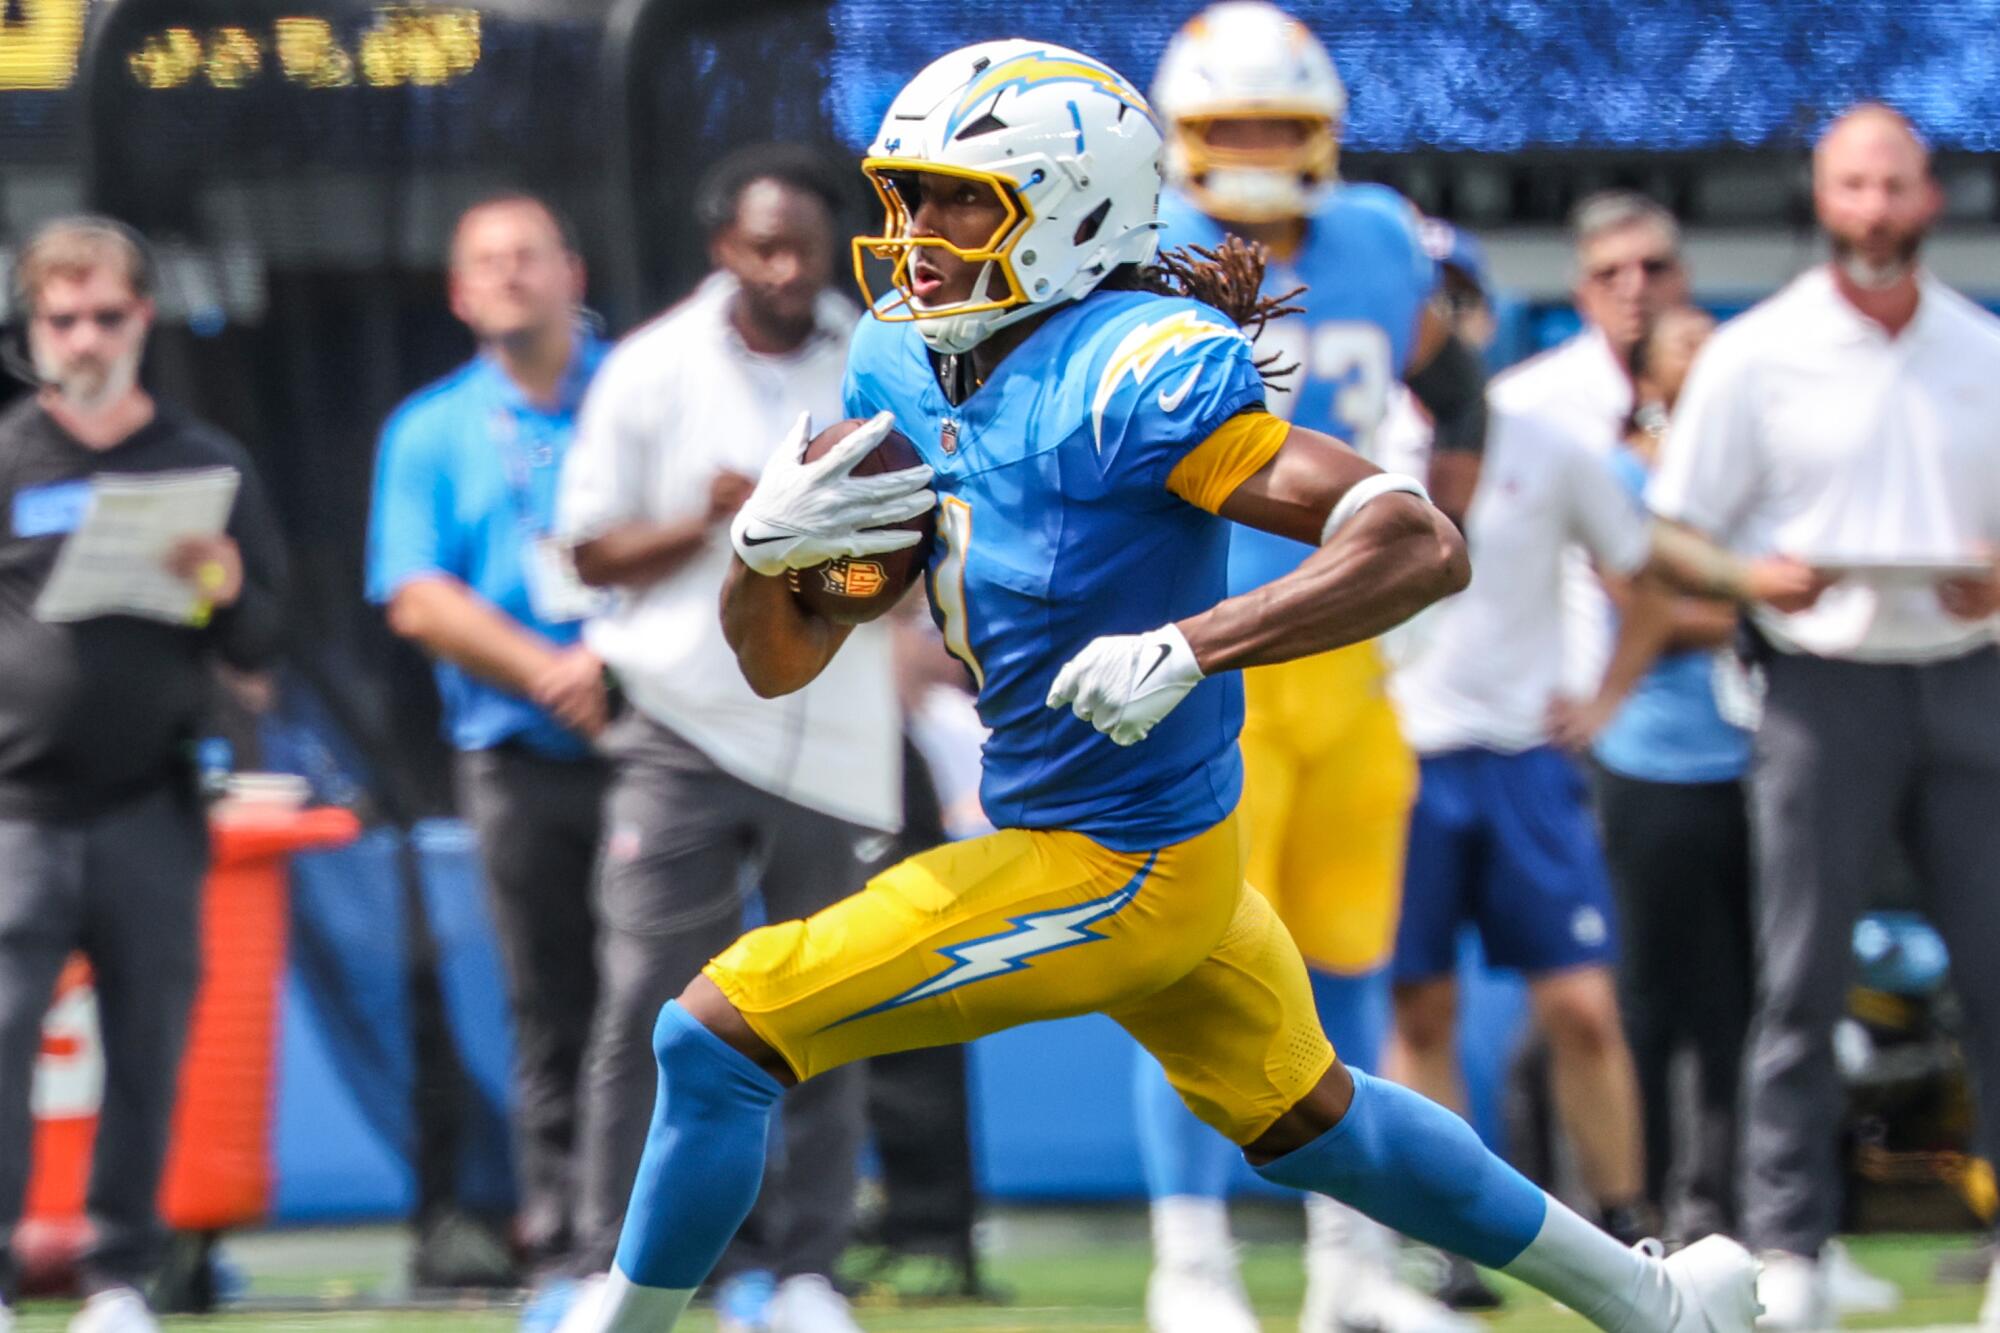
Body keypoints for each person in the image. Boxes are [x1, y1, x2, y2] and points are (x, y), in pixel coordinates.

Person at [554, 39, 1770, 1333]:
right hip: (1102, 834)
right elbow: (785, 656)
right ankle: (1652, 1301)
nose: (918, 233)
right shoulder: (903, 362)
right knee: (1318, 1120)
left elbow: (1414, 538)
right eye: (907, 194)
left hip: (1119, 861)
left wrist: (1199, 642)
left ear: (1073, 207)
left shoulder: (1138, 365)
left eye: (964, 197)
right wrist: (758, 560)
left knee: (715, 1033)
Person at [1132, 7, 1492, 1330]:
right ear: (1184, 140)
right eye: (1236, 133)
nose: (1263, 155)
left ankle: (1351, 1262)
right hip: (1200, 651)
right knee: (1190, 969)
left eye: (1283, 130)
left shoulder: (1382, 242)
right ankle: (1194, 1266)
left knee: (1345, 962)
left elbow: (1458, 391)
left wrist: (1441, 529)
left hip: (1343, 655)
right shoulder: (1135, 247)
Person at [1647, 104, 2000, 1331]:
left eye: (1892, 187)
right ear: (1821, 195)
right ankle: (1786, 1247)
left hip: (1969, 673)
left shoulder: (1978, 349)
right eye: (1852, 187)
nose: (1872, 211)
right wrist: (1753, 579)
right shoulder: (1758, 353)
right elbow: (1670, 529)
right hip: (1817, 685)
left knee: (1997, 973)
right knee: (1795, 979)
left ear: (1928, 198)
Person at [554, 144, 899, 1333]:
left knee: (829, 1004)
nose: (787, 268)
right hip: (682, 725)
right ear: (721, 248)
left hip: (842, 730)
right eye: (763, 245)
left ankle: (805, 1269)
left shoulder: (884, 360)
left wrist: (833, 541)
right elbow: (586, 549)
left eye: (805, 245)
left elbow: (913, 553)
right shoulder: (650, 367)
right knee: (647, 1001)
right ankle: (617, 1264)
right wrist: (713, 519)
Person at [0, 216, 287, 1333]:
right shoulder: (9, 454)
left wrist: (219, 583)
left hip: (151, 808)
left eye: (105, 314)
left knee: (148, 1048)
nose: (84, 337)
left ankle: (121, 1278)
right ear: (35, 327)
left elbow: (263, 643)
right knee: (3, 1043)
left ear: (143, 320)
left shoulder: (204, 461)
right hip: (16, 810)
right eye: (61, 317)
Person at [367, 193, 610, 1303]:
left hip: (665, 744)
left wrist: (621, 665)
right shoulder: (428, 429)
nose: (510, 276)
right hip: (515, 754)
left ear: (573, 270)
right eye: (486, 262)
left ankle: (727, 1238)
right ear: (460, 295)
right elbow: (415, 597)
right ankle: (566, 1241)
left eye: (529, 256)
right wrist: (552, 672)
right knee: (548, 1009)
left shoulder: (643, 388)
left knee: (694, 997)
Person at [1547, 305, 1751, 1245]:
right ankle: (1635, 1215)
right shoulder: (1621, 473)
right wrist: (1764, 600)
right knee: (1638, 996)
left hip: (1752, 759)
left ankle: (1727, 1214)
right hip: (1647, 762)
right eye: (1684, 347)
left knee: (1738, 1002)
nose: (1703, 367)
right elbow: (1647, 606)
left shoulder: (1749, 482)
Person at [1490, 191, 1691, 700]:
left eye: (1653, 268)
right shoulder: (1524, 405)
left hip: (1714, 704)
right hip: (1565, 695)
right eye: (1610, 274)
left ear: (1682, 279)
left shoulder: (1725, 393)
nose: (1634, 288)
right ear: (1582, 293)